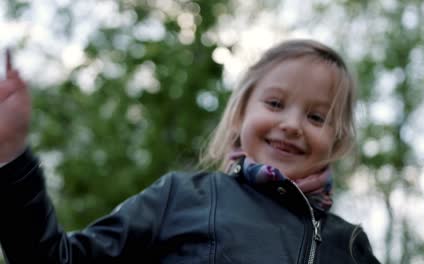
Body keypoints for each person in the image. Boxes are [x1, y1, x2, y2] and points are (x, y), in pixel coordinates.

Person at [0, 40, 380, 263]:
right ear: (240, 115)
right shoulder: (182, 197)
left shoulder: (349, 245)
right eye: (276, 104)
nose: (293, 125)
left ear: (338, 140)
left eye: (316, 116)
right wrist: (12, 153)